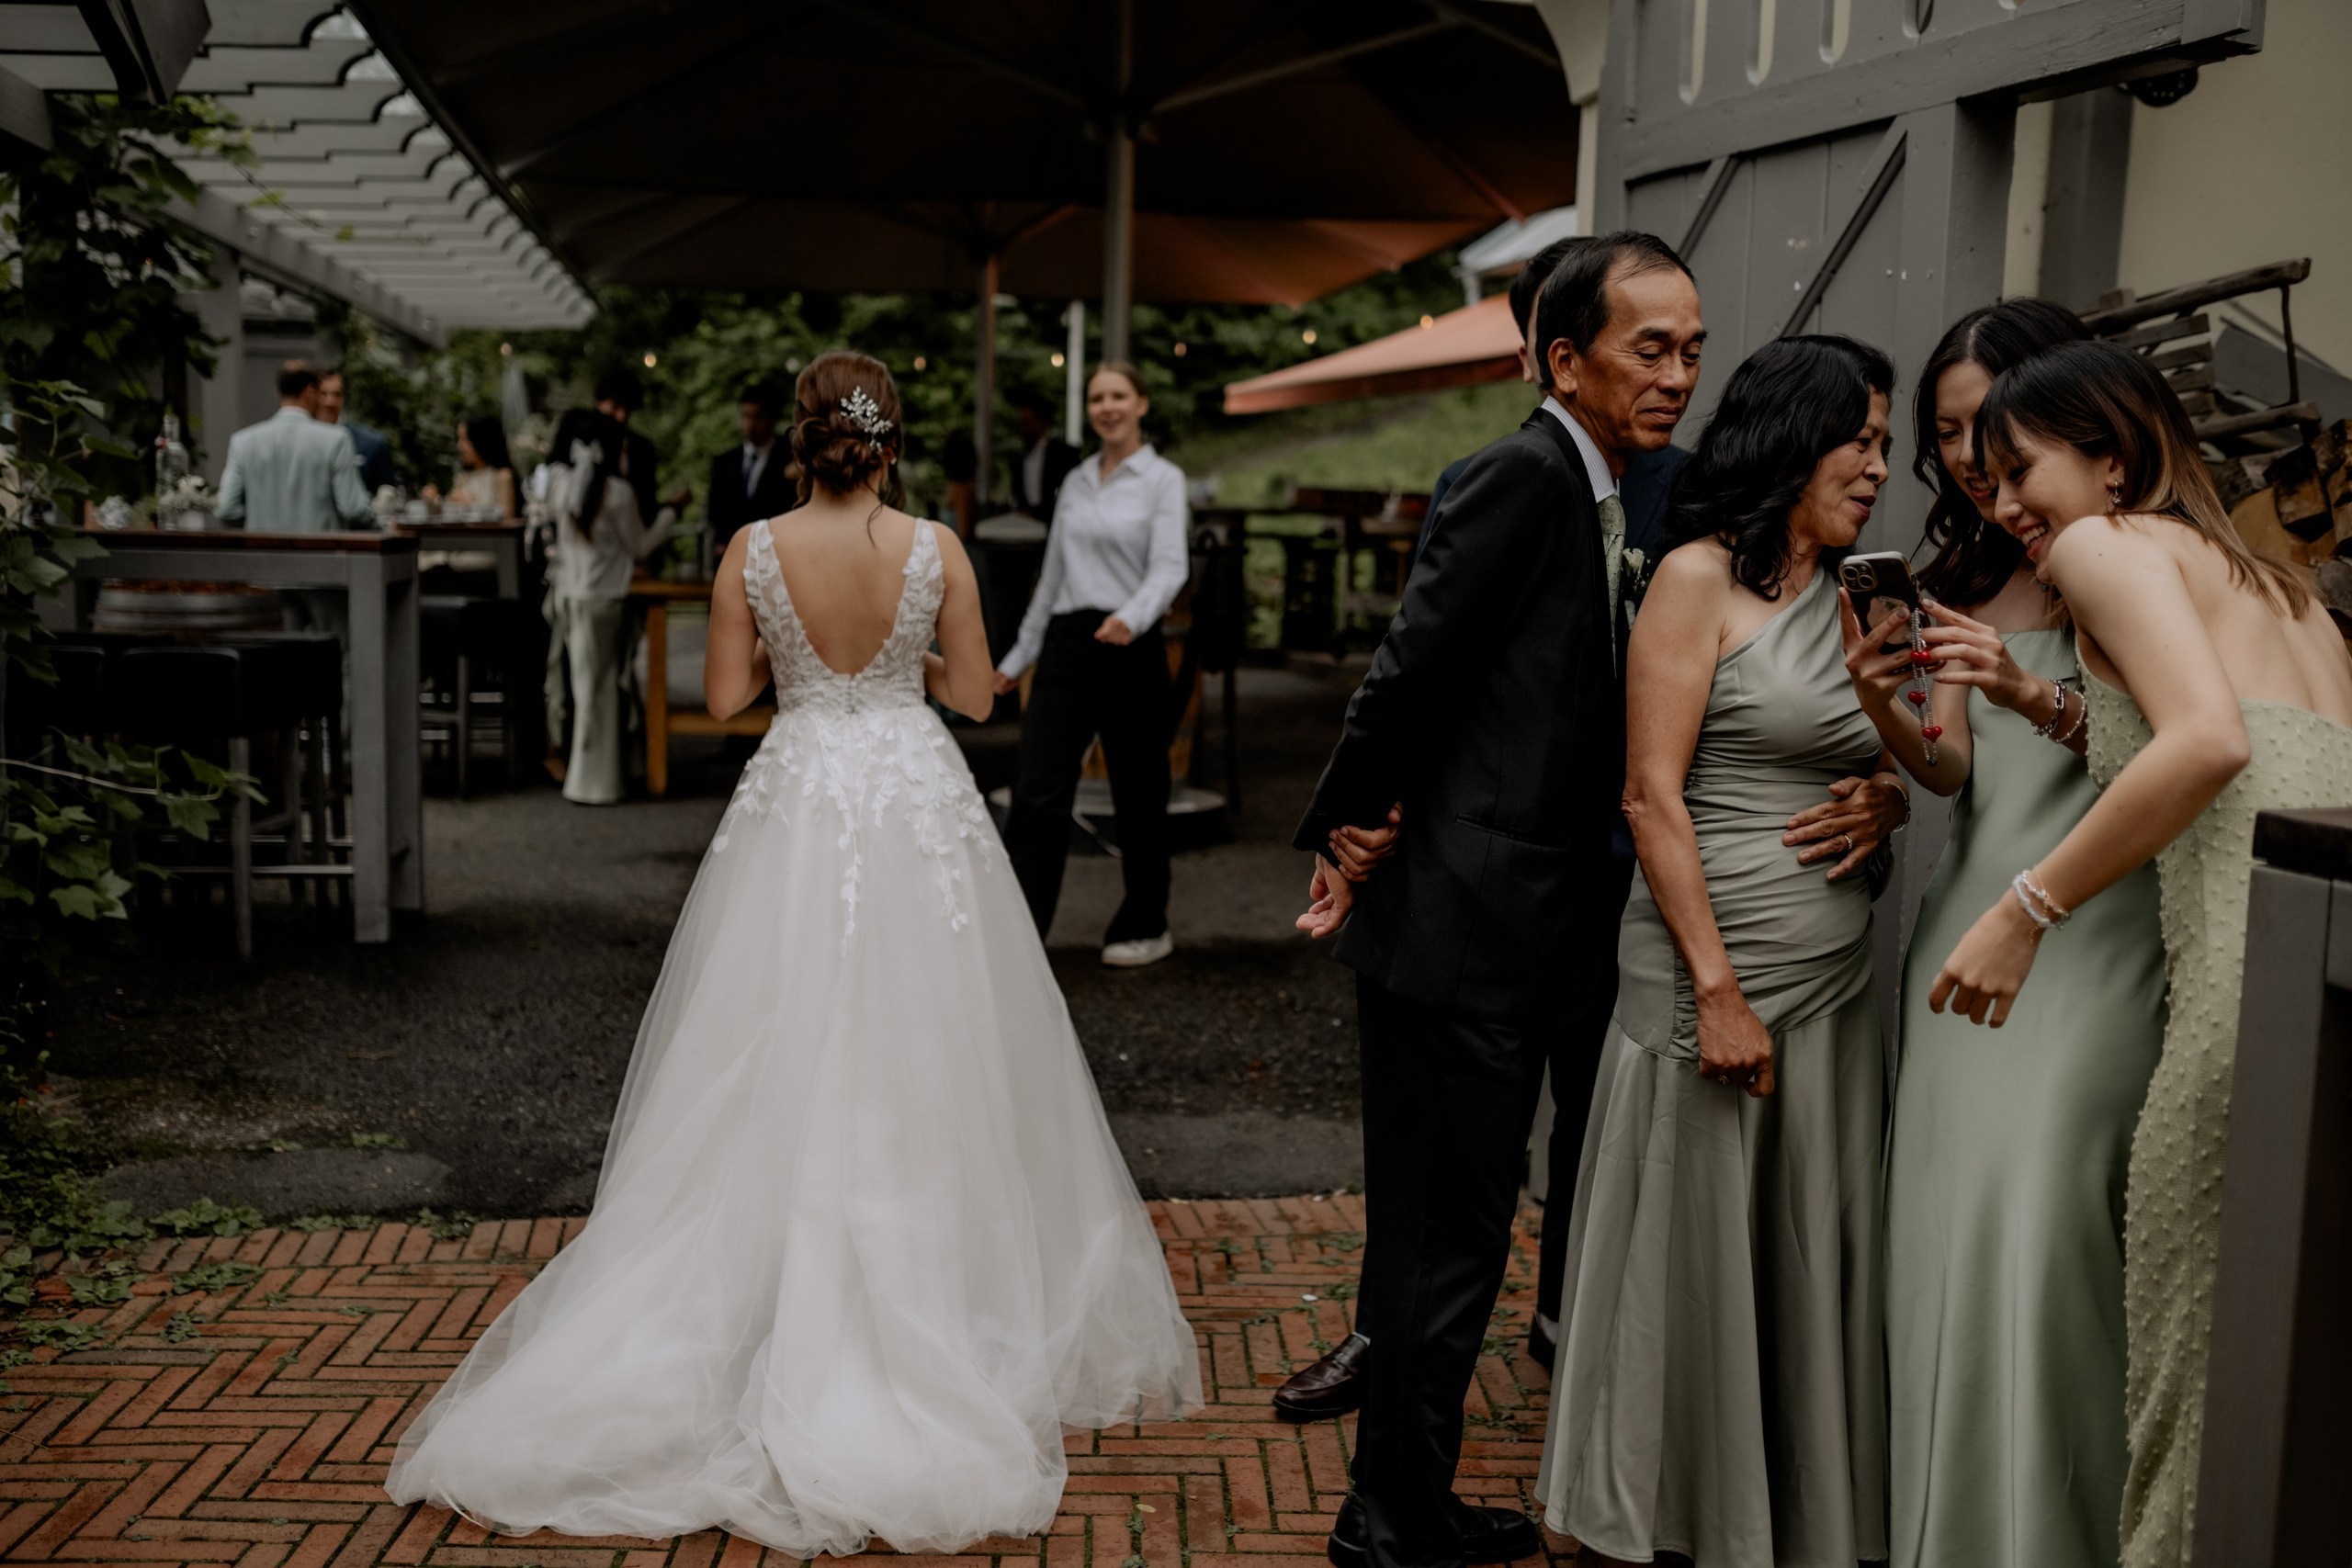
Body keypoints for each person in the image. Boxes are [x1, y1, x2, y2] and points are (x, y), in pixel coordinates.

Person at [386, 351, 1200, 1552]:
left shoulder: (752, 549)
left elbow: (725, 696)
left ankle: (760, 1295)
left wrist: (797, 648)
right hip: (912, 791)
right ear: (889, 439)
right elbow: (979, 696)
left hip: (804, 790)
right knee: (929, 1043)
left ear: (803, 441)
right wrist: (905, 658)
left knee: (771, 1034)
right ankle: (933, 1294)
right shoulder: (936, 545)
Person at [1283, 233, 1703, 1568]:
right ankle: (1389, 1517)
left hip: (1514, 925)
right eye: (1651, 347)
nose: (1678, 374)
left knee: (1452, 1242)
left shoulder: (1602, 485)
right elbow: (1411, 670)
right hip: (1464, 927)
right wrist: (1346, 823)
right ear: (1565, 360)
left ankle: (1402, 1498)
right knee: (1441, 1247)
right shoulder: (1520, 475)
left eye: (1692, 349)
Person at [1926, 339, 2352, 1568]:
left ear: (2112, 458)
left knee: (2188, 1383)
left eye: (2021, 471)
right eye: (1987, 482)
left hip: (2232, 1010)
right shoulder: (2285, 592)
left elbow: (2207, 742)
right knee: (2290, 1400)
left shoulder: (2101, 547)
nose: (2002, 505)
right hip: (2322, 1006)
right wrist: (2033, 699)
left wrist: (2025, 906)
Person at [1536, 334, 1902, 1568]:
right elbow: (1650, 795)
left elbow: (1893, 755)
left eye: (1887, 444)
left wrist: (1888, 803)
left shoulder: (1866, 593)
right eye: (1859, 438)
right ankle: (1653, 1506)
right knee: (1684, 1250)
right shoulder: (1696, 577)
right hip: (1712, 967)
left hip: (1833, 978)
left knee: (1798, 1244)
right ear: (1792, 438)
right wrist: (1718, 993)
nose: (1879, 466)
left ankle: (1787, 1507)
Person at [1845, 300, 2165, 1568]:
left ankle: (2058, 1532)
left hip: (2093, 929)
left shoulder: (2131, 558)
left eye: (1988, 426)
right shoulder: (1965, 573)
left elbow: (2180, 748)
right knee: (1947, 1230)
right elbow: (1947, 770)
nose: (1972, 459)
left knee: (2048, 1229)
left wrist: (2040, 694)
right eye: (1947, 433)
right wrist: (1887, 700)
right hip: (1967, 925)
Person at [991, 361, 1189, 968]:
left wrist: (1132, 616)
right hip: (1067, 642)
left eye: (1119, 395)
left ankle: (1147, 922)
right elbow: (1051, 579)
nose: (1108, 407)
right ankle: (1021, 932)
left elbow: (1170, 566)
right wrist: (1015, 659)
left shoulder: (1163, 480)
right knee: (1037, 790)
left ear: (1141, 404)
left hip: (1131, 642)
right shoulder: (1075, 481)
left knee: (1139, 792)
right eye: (1098, 397)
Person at [540, 408, 672, 805]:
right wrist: (670, 512)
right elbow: (640, 546)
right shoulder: (618, 492)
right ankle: (597, 782)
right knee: (605, 690)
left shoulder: (561, 486)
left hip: (570, 597)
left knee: (585, 690)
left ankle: (591, 777)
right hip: (606, 600)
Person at [215, 361, 373, 533]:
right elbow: (353, 509)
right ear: (310, 392)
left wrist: (255, 521)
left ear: (279, 392)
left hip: (262, 547)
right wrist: (380, 523)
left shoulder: (243, 441)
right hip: (320, 547)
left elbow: (226, 509)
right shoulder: (337, 439)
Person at [704, 378, 793, 552]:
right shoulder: (724, 462)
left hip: (777, 551)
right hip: (732, 551)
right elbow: (715, 510)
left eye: (758, 417)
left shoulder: (790, 459)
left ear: (772, 419)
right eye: (746, 416)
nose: (750, 425)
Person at [317, 369, 398, 494]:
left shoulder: (370, 444)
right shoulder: (299, 441)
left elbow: (386, 492)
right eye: (323, 394)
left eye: (337, 394)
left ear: (344, 398)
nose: (330, 402)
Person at [1013, 390, 1080, 517]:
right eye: (1021, 423)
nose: (1023, 429)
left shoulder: (1064, 454)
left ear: (1042, 422)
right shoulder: (1018, 458)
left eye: (1027, 423)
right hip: (1027, 523)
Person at [446, 415, 519, 519]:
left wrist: (472, 505)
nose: (459, 446)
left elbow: (506, 517)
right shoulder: (464, 477)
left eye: (464, 439)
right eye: (459, 439)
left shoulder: (502, 476)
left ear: (480, 440)